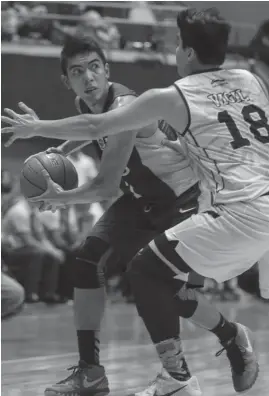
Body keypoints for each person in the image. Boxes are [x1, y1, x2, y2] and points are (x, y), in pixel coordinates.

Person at [2, 21, 268, 394]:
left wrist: (58, 196)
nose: (88, 78)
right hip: (143, 200)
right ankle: (90, 372)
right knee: (87, 258)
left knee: (167, 290)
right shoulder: (86, 106)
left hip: (182, 199)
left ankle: (221, 341)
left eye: (95, 67)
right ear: (67, 81)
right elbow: (93, 129)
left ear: (107, 71)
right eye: (77, 72)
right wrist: (61, 151)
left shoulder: (127, 103)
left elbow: (105, 182)